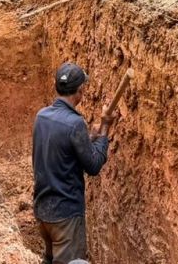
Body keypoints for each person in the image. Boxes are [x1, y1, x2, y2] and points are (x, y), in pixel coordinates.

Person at [32, 63, 113, 264]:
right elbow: (93, 166)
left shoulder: (41, 116)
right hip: (65, 217)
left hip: (43, 209)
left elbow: (62, 150)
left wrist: (88, 139)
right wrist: (105, 129)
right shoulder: (75, 123)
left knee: (49, 259)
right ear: (80, 91)